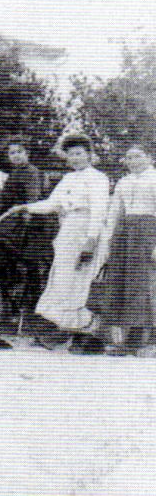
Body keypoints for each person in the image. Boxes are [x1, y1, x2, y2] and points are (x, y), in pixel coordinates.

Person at [17, 134, 112, 343]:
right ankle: (74, 331)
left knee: (78, 282)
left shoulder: (98, 178)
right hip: (68, 232)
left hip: (86, 231)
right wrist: (25, 207)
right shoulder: (68, 179)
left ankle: (92, 328)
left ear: (89, 154)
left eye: (79, 153)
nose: (75, 158)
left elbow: (99, 212)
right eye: (70, 155)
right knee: (62, 281)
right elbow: (52, 204)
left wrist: (90, 241)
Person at [91, 144, 156, 354]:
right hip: (124, 234)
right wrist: (108, 240)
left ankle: (141, 339)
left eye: (138, 156)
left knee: (142, 283)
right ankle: (120, 338)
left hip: (148, 233)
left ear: (150, 157)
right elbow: (114, 212)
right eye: (129, 158)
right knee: (120, 282)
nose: (133, 161)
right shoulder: (123, 181)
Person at [0, 135, 54, 321]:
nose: (15, 156)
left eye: (19, 152)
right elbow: (3, 200)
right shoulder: (15, 173)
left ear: (27, 153)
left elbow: (32, 198)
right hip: (16, 224)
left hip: (30, 226)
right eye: (11, 153)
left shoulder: (30, 172)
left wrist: (26, 216)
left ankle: (28, 307)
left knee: (28, 265)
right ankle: (11, 297)